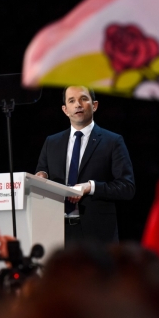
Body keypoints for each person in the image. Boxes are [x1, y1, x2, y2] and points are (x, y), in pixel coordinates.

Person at [35, 86, 135, 243]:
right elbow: (42, 171)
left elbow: (127, 187)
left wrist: (90, 186)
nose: (78, 105)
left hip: (98, 234)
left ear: (94, 105)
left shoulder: (113, 141)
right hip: (57, 232)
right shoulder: (51, 142)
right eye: (72, 101)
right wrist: (42, 175)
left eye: (83, 99)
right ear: (65, 109)